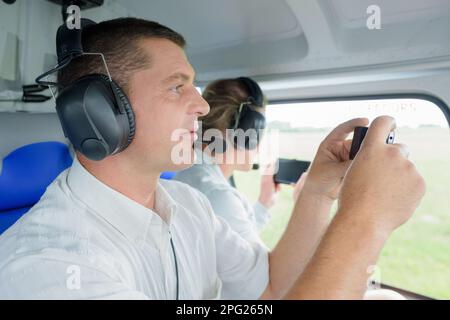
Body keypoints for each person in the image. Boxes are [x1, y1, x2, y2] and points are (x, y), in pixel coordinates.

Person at [0, 18, 425, 300]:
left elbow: (272, 286)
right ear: (99, 111)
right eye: (175, 87)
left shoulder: (188, 207)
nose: (202, 108)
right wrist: (366, 219)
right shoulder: (50, 266)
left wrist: (317, 189)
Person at [174, 77, 291, 244]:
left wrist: (264, 203)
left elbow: (235, 244)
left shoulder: (190, 172)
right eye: (259, 132)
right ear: (248, 130)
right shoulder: (217, 196)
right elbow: (262, 268)